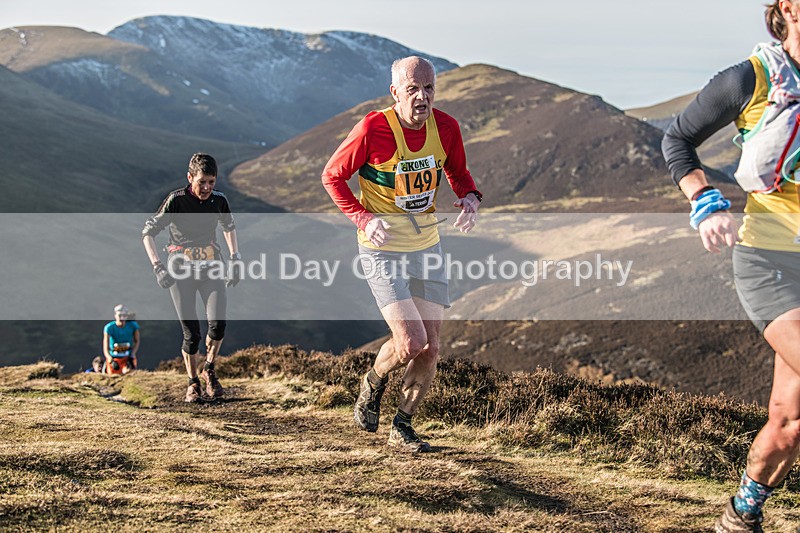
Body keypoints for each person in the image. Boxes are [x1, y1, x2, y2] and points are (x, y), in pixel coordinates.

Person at [662, 2, 800, 530]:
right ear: (786, 8)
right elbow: (677, 138)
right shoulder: (751, 78)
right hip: (772, 264)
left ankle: (741, 513)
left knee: (788, 424)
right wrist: (704, 201)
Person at [321, 56, 482, 452]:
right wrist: (362, 218)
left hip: (427, 244)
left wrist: (470, 198)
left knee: (432, 346)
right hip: (382, 249)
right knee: (410, 341)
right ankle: (373, 382)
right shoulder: (373, 128)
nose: (422, 97)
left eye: (429, 88)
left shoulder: (446, 127)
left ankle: (403, 426)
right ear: (395, 92)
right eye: (413, 89)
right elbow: (332, 176)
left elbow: (458, 173)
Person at [142, 153, 241, 403]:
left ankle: (209, 368)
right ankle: (192, 382)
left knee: (218, 326)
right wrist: (157, 267)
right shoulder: (175, 201)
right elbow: (147, 233)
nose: (207, 187)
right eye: (202, 182)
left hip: (211, 266)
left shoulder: (219, 200)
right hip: (180, 271)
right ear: (190, 178)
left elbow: (229, 227)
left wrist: (235, 258)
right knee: (192, 334)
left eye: (211, 181)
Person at [102, 304, 140, 374]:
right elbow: (105, 347)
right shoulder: (109, 328)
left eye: (124, 316)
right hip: (114, 358)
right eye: (119, 316)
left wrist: (132, 354)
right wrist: (110, 359)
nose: (121, 318)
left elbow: (137, 341)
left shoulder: (133, 326)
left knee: (129, 374)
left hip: (128, 357)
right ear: (115, 316)